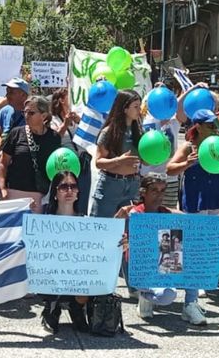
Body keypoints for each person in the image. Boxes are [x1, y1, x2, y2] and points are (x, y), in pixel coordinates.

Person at [116, 174, 202, 324]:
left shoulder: (166, 213)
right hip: (140, 271)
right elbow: (110, 233)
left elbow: (192, 220)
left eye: (163, 190)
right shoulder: (133, 214)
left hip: (163, 267)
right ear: (143, 192)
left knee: (192, 255)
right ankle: (145, 296)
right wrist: (124, 238)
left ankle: (190, 304)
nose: (160, 195)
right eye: (154, 190)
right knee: (167, 295)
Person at [40, 171, 89, 333]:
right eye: (63, 186)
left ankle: (77, 308)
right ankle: (52, 308)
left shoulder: (86, 222)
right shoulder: (44, 221)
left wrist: (118, 243)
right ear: (55, 193)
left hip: (78, 275)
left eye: (73, 186)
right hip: (52, 275)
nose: (69, 191)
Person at [167, 109, 219, 215]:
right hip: (195, 202)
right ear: (198, 127)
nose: (214, 129)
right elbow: (169, 170)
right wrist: (187, 163)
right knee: (194, 231)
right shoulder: (188, 147)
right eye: (210, 126)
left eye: (215, 126)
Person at [0, 96, 61, 212]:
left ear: (44, 116)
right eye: (24, 112)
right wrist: (2, 188)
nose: (26, 116)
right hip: (14, 195)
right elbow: (3, 163)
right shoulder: (16, 133)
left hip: (41, 198)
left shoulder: (54, 138)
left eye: (31, 113)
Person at [90, 90, 143, 218]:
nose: (139, 110)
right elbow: (98, 162)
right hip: (111, 184)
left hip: (132, 185)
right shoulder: (108, 132)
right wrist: (119, 161)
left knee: (127, 230)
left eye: (139, 106)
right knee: (103, 225)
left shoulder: (140, 132)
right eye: (135, 106)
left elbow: (145, 160)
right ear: (124, 109)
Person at [50, 88, 90, 214]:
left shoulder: (79, 118)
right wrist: (66, 123)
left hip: (83, 165)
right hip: (66, 165)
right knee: (66, 196)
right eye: (70, 96)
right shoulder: (53, 119)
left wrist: (81, 122)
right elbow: (54, 139)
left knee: (82, 197)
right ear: (61, 100)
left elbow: (91, 139)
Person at [0, 77, 30, 155]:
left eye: (11, 92)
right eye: (7, 91)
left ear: (23, 95)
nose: (7, 95)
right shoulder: (4, 111)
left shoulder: (32, 114)